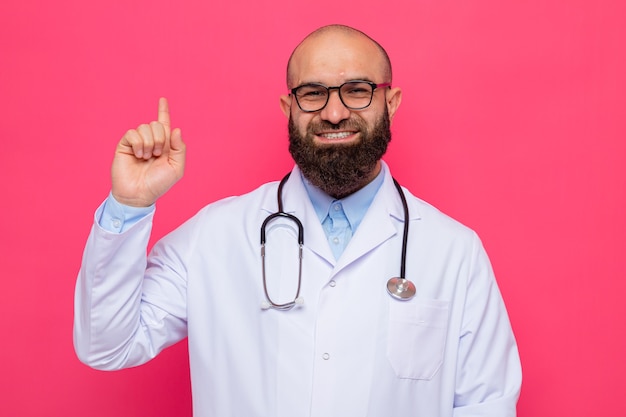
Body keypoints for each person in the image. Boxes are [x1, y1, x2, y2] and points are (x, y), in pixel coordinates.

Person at [74, 24, 521, 416]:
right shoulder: (214, 236)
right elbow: (105, 345)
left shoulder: (454, 251)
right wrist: (128, 204)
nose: (334, 112)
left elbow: (487, 406)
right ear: (289, 108)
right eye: (312, 93)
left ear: (391, 100)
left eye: (358, 89)